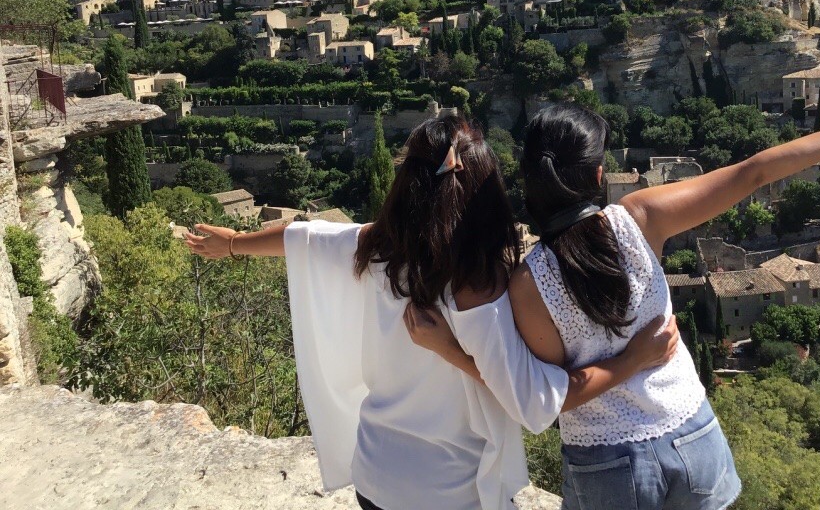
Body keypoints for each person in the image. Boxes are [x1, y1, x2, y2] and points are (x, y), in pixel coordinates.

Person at [411, 61, 820, 510]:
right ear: (598, 177)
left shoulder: (528, 284)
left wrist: (451, 350)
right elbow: (754, 172)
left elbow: (541, 397)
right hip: (692, 434)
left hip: (605, 463)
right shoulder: (638, 218)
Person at [185, 114, 680, 510]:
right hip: (450, 491)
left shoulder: (376, 247)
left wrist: (233, 244)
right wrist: (633, 359)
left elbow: (302, 237)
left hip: (375, 474)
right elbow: (525, 395)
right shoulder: (480, 286)